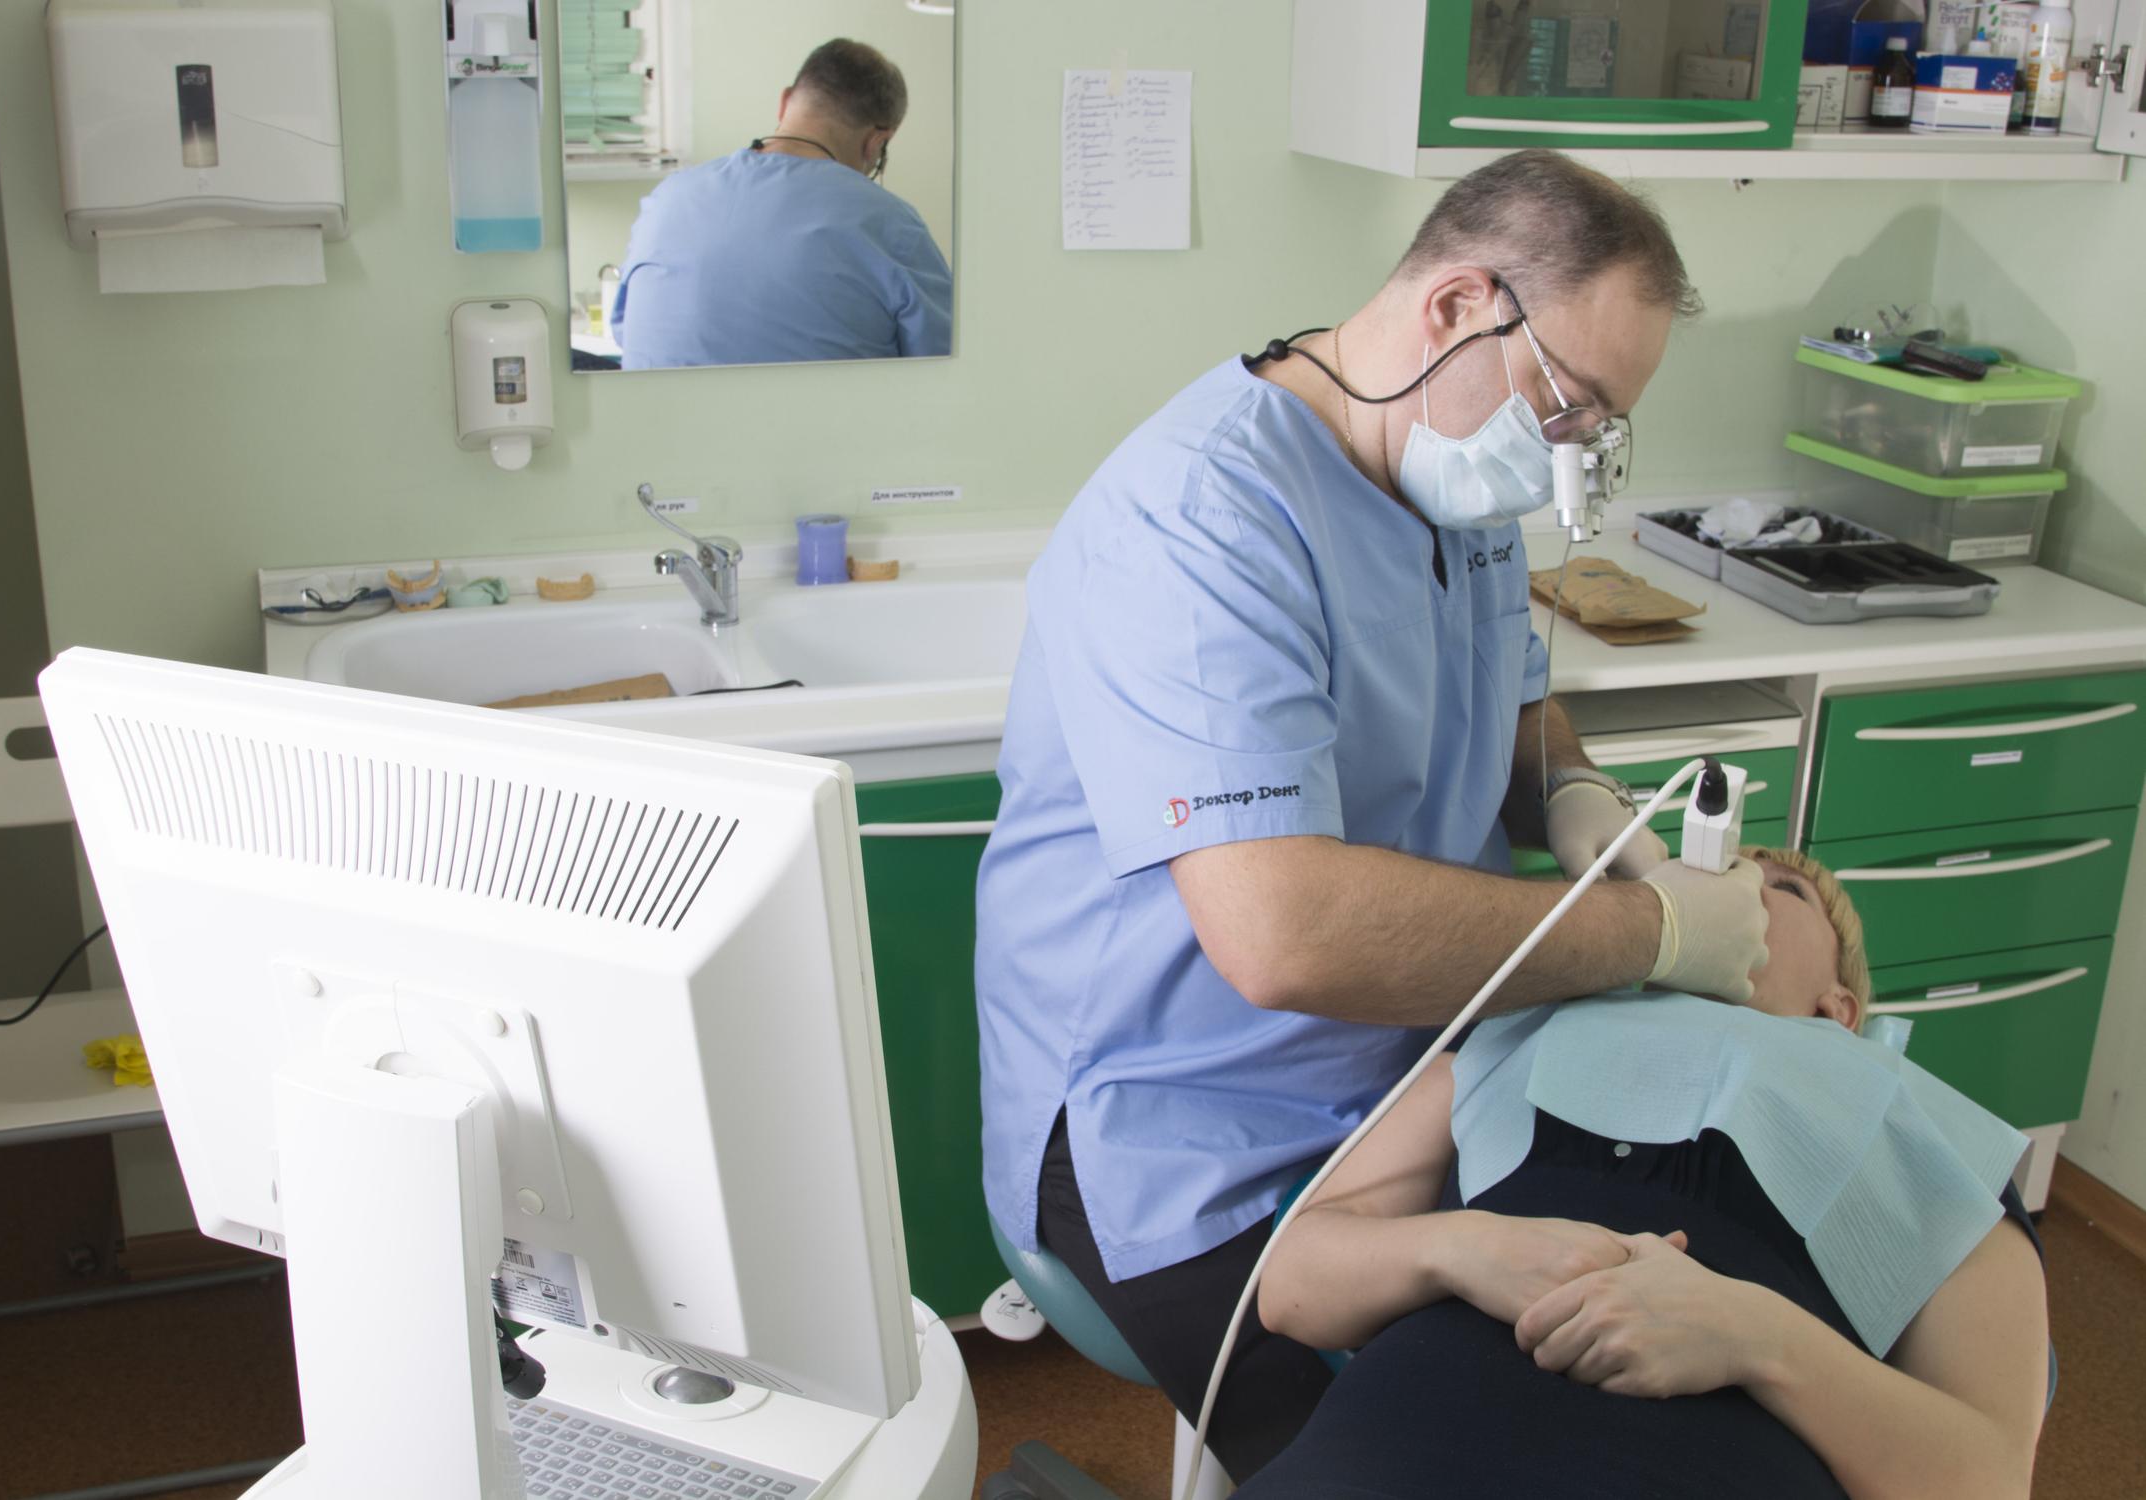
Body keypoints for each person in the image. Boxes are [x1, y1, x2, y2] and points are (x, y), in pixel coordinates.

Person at [972, 150, 1776, 1480]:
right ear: (1457, 306)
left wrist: (1571, 796)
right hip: (1173, 1132)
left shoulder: (1446, 474)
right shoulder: (1199, 521)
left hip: (1401, 1085)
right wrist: (1646, 936)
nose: (1564, 452)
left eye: (1594, 429)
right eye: (1565, 404)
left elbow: (1511, 695)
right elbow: (1282, 938)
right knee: (1442, 1454)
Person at [1243, 847, 2050, 1500]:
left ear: (1837, 1008)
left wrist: (1759, 1339)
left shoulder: (1923, 1124)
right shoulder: (1501, 1046)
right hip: (1379, 1464)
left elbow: (1983, 1477)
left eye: (1777, 888)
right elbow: (1289, 1289)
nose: (1728, 886)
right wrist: (1458, 1249)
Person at [612, 38, 952, 369]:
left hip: (658, 423)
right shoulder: (891, 223)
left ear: (785, 102)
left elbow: (624, 330)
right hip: (822, 424)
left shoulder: (668, 196)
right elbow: (945, 365)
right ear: (876, 143)